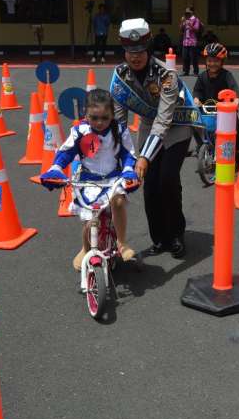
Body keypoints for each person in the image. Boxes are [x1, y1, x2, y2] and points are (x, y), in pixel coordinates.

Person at [111, 18, 192, 258]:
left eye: (139, 51)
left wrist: (144, 157)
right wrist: (118, 154)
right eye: (129, 51)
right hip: (148, 128)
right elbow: (119, 120)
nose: (135, 57)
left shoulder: (166, 75)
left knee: (167, 179)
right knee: (149, 186)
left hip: (176, 128)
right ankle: (160, 239)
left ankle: (177, 234)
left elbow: (165, 120)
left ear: (147, 49)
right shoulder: (120, 75)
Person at [40, 88, 140, 273]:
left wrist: (128, 171)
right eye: (94, 118)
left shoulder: (119, 129)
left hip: (113, 178)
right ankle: (86, 249)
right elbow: (65, 152)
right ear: (86, 113)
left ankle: (121, 243)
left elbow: (128, 155)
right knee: (91, 220)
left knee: (118, 201)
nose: (100, 122)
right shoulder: (80, 131)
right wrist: (55, 168)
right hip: (88, 180)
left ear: (112, 115)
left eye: (105, 117)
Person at [192, 42, 239, 169]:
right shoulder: (202, 76)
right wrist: (196, 99)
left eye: (216, 61)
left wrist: (236, 100)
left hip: (224, 112)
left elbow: (234, 88)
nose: (212, 64)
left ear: (222, 62)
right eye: (210, 60)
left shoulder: (227, 76)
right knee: (194, 122)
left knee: (234, 128)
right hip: (207, 110)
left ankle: (234, 151)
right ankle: (201, 145)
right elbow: (197, 90)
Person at [179, 6, 201, 76]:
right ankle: (185, 71)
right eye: (186, 12)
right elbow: (181, 29)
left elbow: (196, 29)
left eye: (188, 12)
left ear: (192, 12)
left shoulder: (196, 20)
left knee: (193, 57)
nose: (187, 13)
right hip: (185, 41)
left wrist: (190, 24)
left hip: (192, 41)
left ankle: (195, 72)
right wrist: (182, 22)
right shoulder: (185, 19)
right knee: (185, 57)